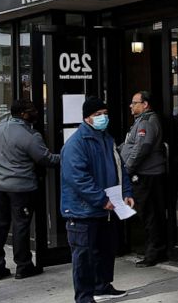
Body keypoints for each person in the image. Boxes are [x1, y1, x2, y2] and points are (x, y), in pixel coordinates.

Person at [61, 96, 134, 303]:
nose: (103, 117)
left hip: (106, 207)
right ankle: (84, 297)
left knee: (105, 250)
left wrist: (126, 193)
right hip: (83, 210)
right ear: (87, 118)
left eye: (105, 113)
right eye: (97, 114)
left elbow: (120, 168)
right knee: (84, 256)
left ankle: (102, 286)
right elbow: (78, 178)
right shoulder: (76, 144)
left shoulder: (106, 139)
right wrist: (102, 200)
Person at [0, 98, 60, 281]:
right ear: (24, 114)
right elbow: (46, 159)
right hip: (21, 188)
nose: (36, 112)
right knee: (21, 226)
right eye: (33, 110)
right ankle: (23, 265)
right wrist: (69, 155)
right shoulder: (30, 135)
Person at [119, 90, 168, 267]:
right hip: (146, 173)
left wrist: (128, 168)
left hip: (147, 175)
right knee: (148, 213)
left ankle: (154, 252)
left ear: (145, 104)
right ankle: (153, 249)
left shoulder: (146, 123)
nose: (131, 106)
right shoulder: (141, 121)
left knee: (149, 214)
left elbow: (141, 148)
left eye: (134, 102)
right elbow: (130, 144)